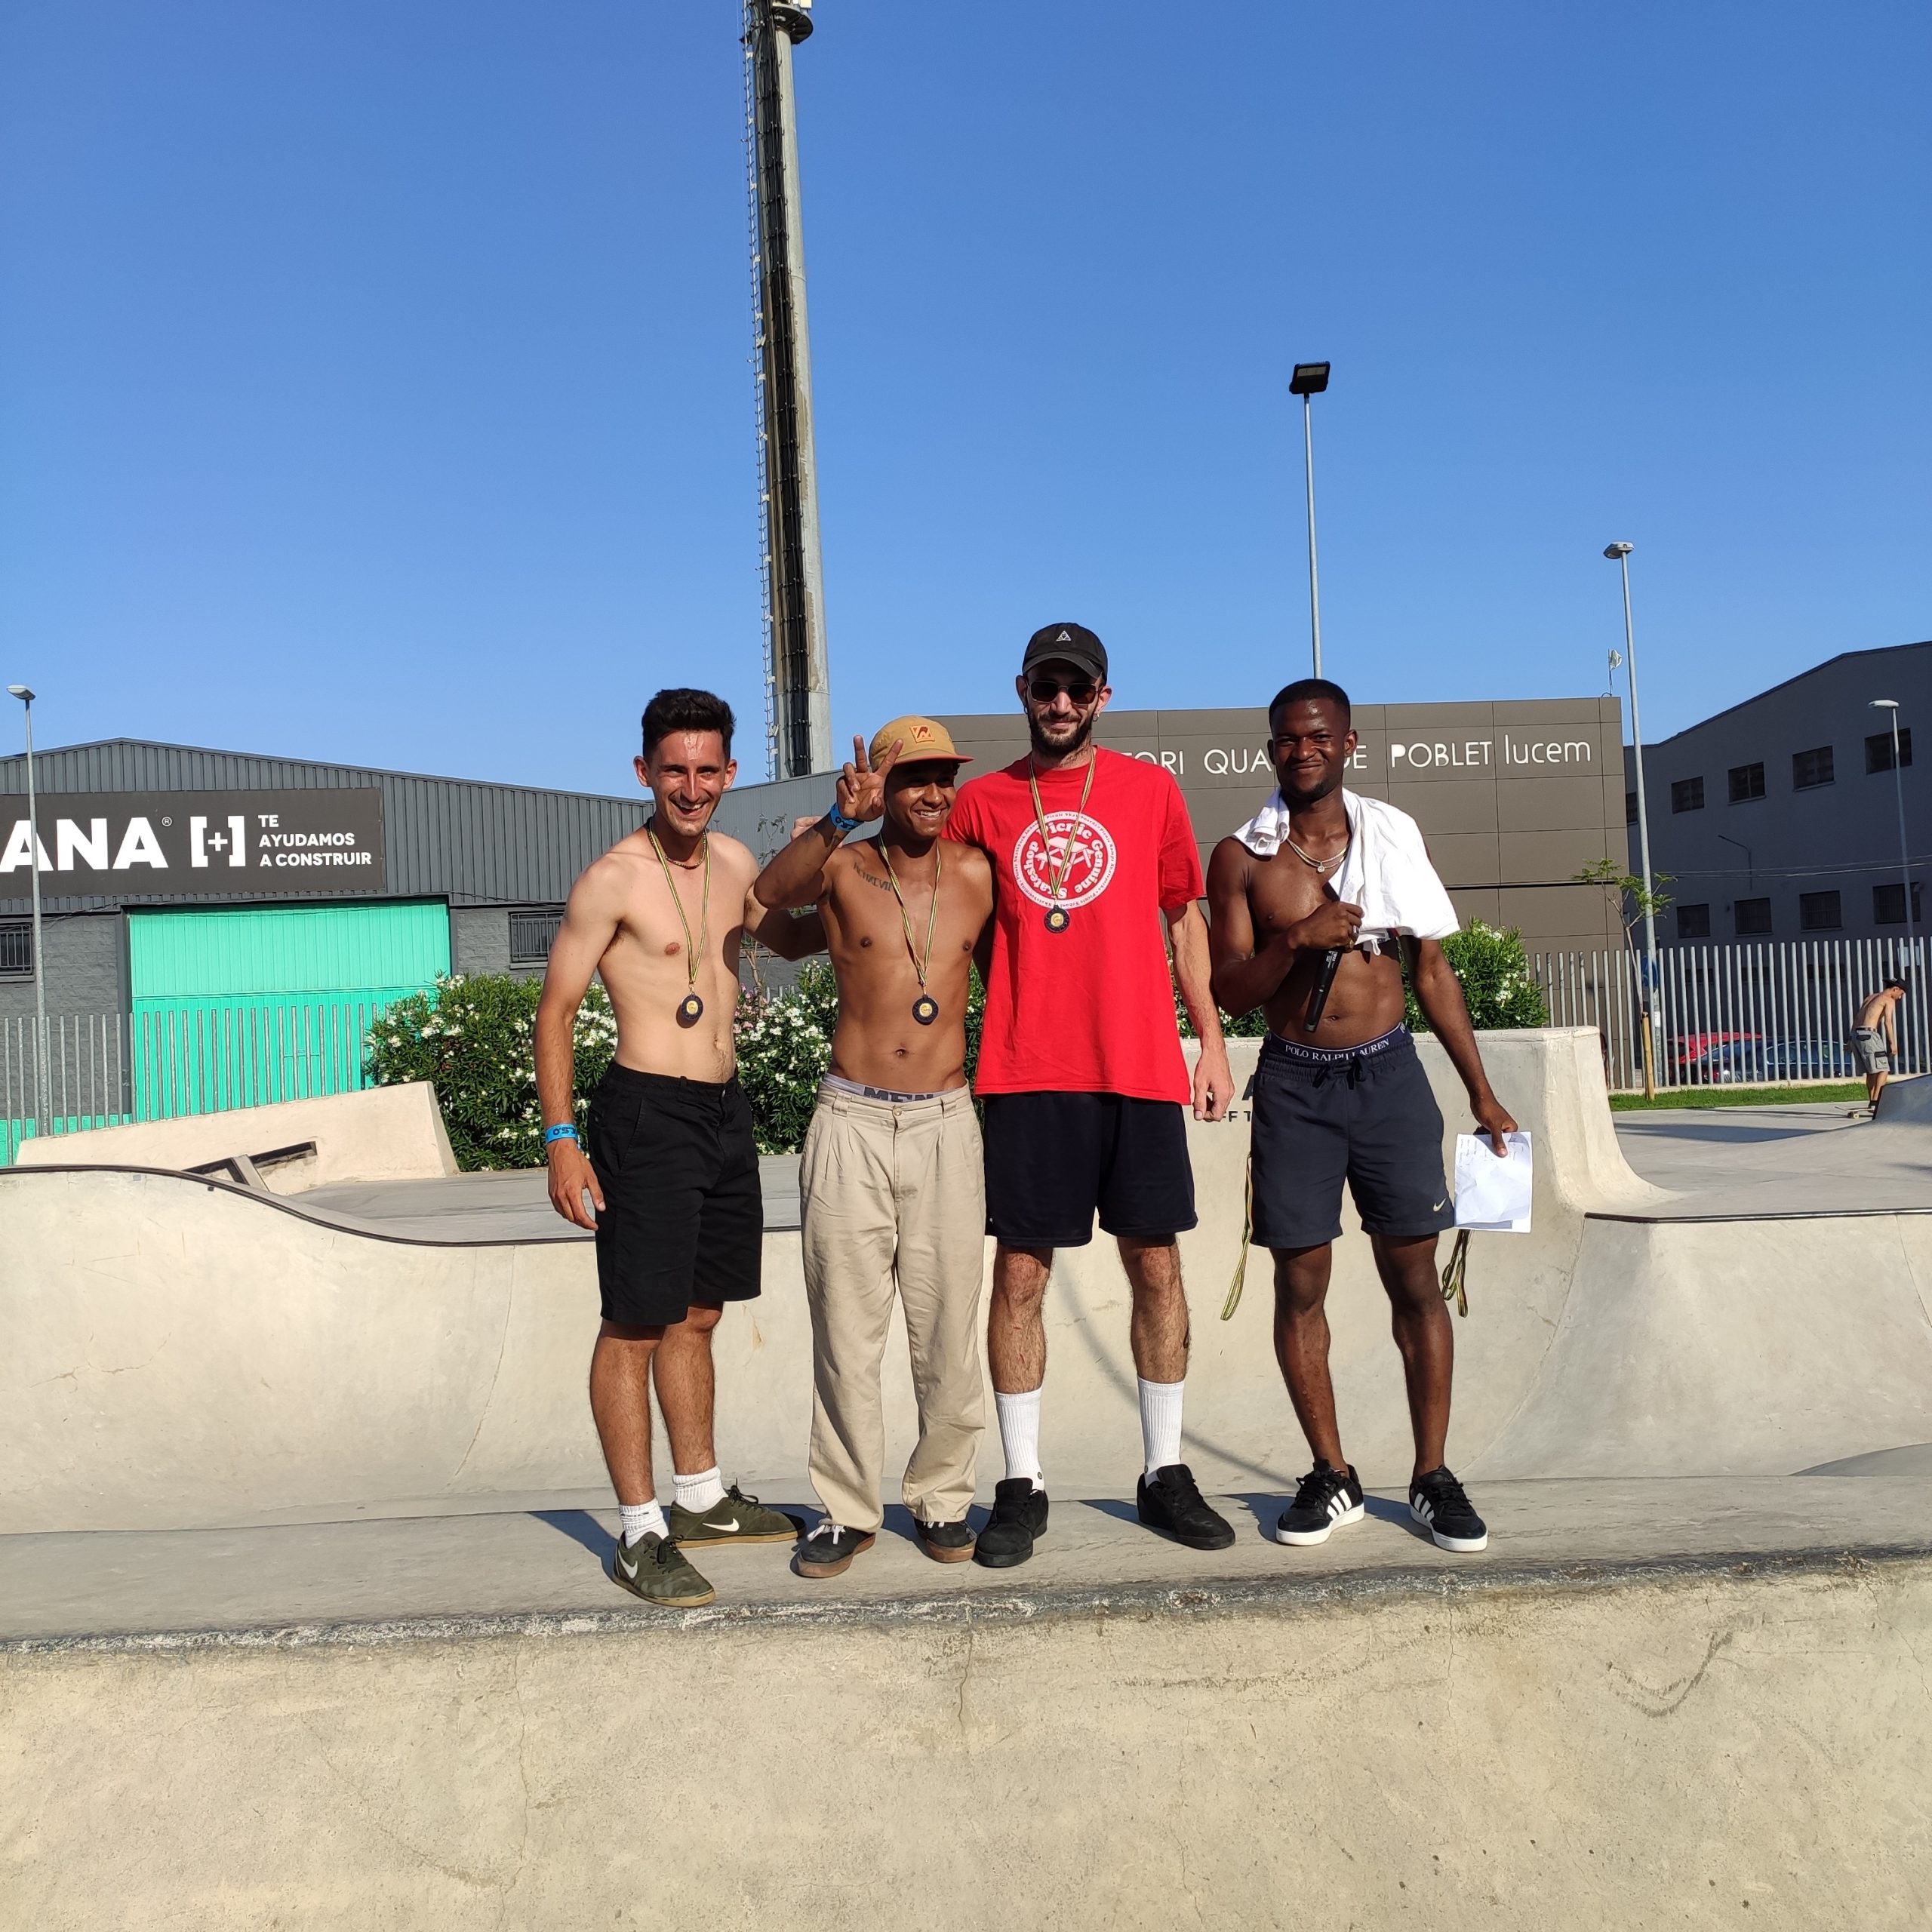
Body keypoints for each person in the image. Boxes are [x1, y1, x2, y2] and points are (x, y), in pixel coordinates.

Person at [943, 622, 1238, 1568]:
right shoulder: (981, 803)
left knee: (1156, 1265)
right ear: (1022, 691)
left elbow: (1182, 921)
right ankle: (1022, 1483)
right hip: (1029, 1068)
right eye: (1047, 686)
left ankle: (1163, 1471)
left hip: (1138, 1065)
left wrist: (1210, 1044)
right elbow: (945, 924)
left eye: (1078, 688)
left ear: (1103, 696)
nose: (1061, 703)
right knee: (1020, 1276)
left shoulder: (1149, 790)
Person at [1206, 678, 1517, 1555]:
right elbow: (1231, 991)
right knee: (1300, 1282)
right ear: (1270, 748)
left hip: (1387, 1076)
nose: (1301, 751)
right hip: (1294, 1085)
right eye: (1285, 738)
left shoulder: (1391, 833)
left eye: (1318, 736)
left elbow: (1432, 973)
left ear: (1348, 744)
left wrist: (1480, 1090)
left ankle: (1431, 1476)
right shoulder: (1241, 857)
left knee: (1414, 1280)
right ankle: (1330, 1473)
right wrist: (1295, 940)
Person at [537, 688, 823, 1608]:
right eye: (673, 770)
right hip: (646, 1114)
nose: (690, 787)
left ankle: (698, 1497)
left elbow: (796, 939)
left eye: (706, 770)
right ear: (644, 772)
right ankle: (639, 1528)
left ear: (730, 773)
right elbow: (555, 1012)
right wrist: (561, 1140)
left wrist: (840, 852)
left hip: (723, 1112)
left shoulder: (736, 861)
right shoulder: (612, 878)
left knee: (699, 1313)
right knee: (635, 1321)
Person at [754, 718, 996, 1577]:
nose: (933, 793)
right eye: (914, 778)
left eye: (944, 777)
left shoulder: (977, 873)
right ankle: (848, 1510)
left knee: (947, 1328)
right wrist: (834, 819)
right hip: (852, 1119)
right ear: (882, 787)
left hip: (944, 1122)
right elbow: (766, 897)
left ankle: (943, 1498)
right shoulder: (843, 868)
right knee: (846, 1330)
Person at [1853, 978, 1907, 1115]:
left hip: (1857, 1035)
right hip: (1870, 1034)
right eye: (1901, 994)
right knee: (1883, 1069)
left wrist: (1850, 1040)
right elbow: (1887, 1022)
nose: (1900, 998)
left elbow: (1857, 1018)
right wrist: (1892, 1044)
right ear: (1895, 989)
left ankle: (1872, 1101)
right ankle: (1875, 1102)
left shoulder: (1870, 998)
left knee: (1872, 1071)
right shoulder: (1888, 1000)